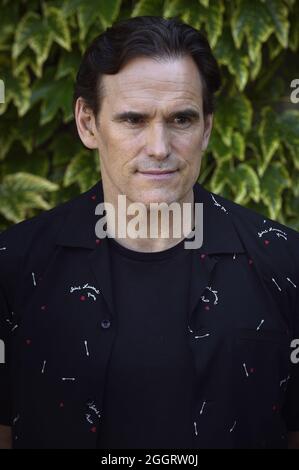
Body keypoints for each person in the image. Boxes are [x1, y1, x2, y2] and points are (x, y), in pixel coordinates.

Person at [0, 15, 299, 449]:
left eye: (181, 119)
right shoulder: (13, 264)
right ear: (88, 124)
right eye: (133, 120)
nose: (159, 148)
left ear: (207, 127)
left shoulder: (286, 262)